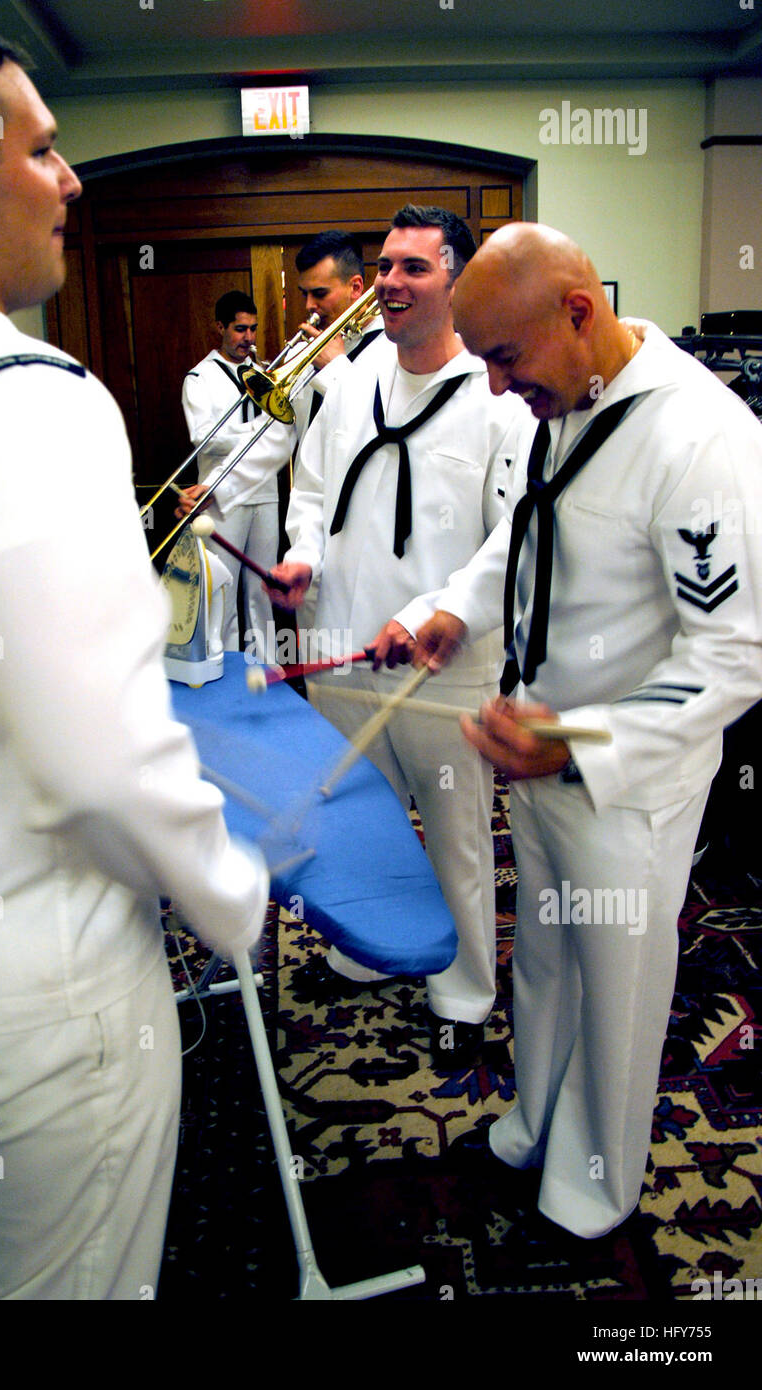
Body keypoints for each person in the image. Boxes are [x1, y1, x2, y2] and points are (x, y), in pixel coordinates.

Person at [0, 15, 269, 1298]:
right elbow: (101, 761)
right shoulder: (13, 392)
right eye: (44, 147)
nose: (71, 179)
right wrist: (231, 889)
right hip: (50, 981)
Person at [389, 222, 762, 1237]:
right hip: (537, 749)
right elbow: (524, 526)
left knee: (618, 983)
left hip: (625, 779)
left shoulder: (702, 436)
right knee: (544, 957)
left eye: (505, 359)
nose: (499, 390)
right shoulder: (559, 399)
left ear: (577, 311)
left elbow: (732, 655)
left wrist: (584, 743)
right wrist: (451, 606)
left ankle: (597, 1185)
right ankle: (536, 1118)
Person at [269, 205, 533, 1066]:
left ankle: (462, 991)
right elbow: (311, 491)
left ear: (455, 281)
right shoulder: (348, 381)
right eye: (384, 266)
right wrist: (302, 557)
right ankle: (370, 950)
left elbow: (514, 535)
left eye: (413, 268)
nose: (389, 282)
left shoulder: (500, 398)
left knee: (456, 834)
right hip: (342, 643)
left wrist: (431, 614)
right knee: (363, 823)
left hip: (443, 663)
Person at [176, 290, 295, 663]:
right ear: (220, 328)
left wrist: (267, 430)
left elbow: (284, 430)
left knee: (262, 586)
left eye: (253, 330)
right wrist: (259, 432)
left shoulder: (264, 375)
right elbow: (204, 437)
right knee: (222, 585)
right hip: (220, 495)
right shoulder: (199, 377)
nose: (248, 338)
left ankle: (267, 665)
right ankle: (222, 664)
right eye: (240, 329)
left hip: (265, 491)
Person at [291, 230, 384, 437]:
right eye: (305, 294)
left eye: (320, 293)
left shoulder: (390, 349)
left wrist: (334, 368)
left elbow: (378, 426)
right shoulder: (302, 351)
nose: (309, 305)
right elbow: (276, 439)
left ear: (356, 287)